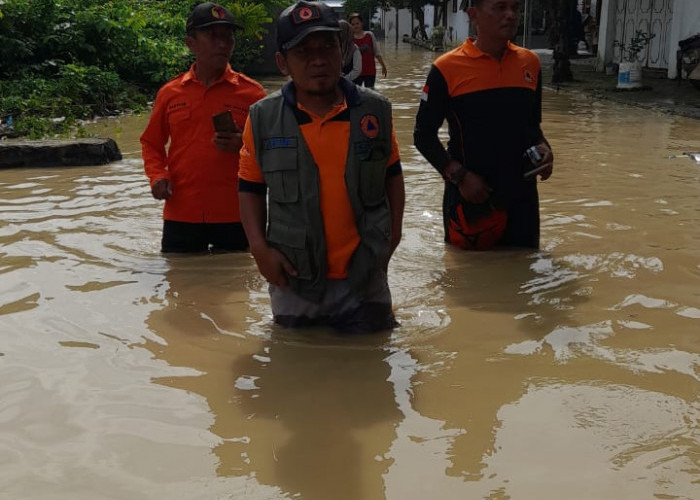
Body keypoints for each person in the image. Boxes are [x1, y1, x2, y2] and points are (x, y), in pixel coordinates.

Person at [237, 1, 405, 333]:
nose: (318, 60)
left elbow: (393, 178)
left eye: (327, 46)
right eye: (303, 51)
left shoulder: (375, 112)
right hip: (294, 278)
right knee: (294, 371)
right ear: (283, 63)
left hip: (365, 276)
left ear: (341, 50)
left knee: (374, 370)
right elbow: (250, 189)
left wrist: (392, 241)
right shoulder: (262, 119)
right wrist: (259, 249)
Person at [414, 0, 553, 251]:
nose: (510, 15)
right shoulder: (446, 69)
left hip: (523, 201)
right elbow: (423, 136)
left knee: (526, 275)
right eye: (500, 8)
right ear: (473, 15)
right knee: (468, 282)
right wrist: (460, 177)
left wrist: (544, 149)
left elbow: (532, 127)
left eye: (515, 8)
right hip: (472, 200)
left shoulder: (530, 63)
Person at [140, 2, 266, 253]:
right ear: (191, 43)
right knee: (179, 284)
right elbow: (151, 143)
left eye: (228, 37)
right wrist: (157, 176)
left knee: (233, 285)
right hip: (181, 212)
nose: (223, 44)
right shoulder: (170, 93)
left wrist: (244, 145)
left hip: (236, 213)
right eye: (213, 36)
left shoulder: (253, 94)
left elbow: (275, 150)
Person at [348, 12, 387, 88]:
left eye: (357, 23)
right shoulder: (349, 39)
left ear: (361, 23)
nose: (355, 26)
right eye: (353, 24)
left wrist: (383, 66)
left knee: (370, 95)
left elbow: (377, 53)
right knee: (356, 95)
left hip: (370, 72)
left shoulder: (369, 35)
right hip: (355, 73)